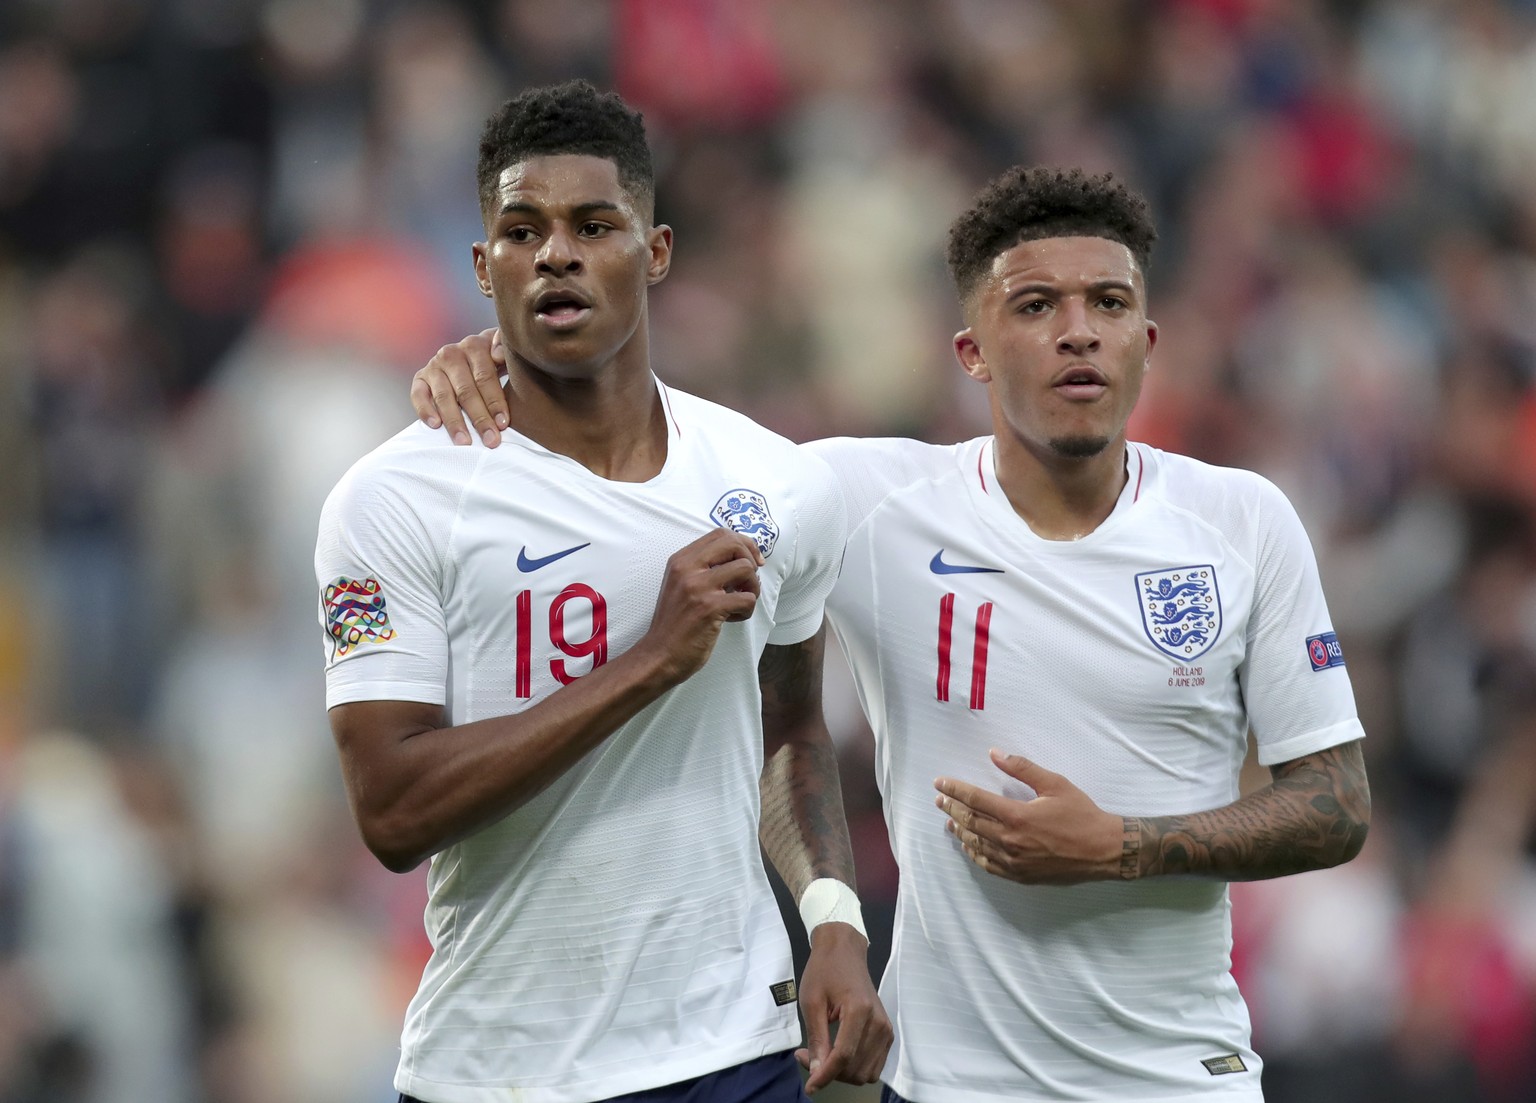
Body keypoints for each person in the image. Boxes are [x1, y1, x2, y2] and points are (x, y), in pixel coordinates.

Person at [411, 166, 1372, 1102]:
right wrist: (503, 355)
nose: (1079, 332)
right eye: (1036, 306)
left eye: (1109, 304)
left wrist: (1120, 844)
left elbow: (1334, 804)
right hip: (946, 1081)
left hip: (1181, 1077)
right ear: (973, 351)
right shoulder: (866, 501)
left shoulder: (1243, 521)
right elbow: (651, 448)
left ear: (1147, 337)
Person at [315, 80, 889, 1103]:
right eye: (521, 230)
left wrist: (834, 918)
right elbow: (393, 810)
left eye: (593, 225)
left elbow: (789, 728)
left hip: (735, 1049)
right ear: (483, 264)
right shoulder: (392, 500)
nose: (556, 254)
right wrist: (645, 666)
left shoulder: (775, 483)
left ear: (655, 251)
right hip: (496, 1067)